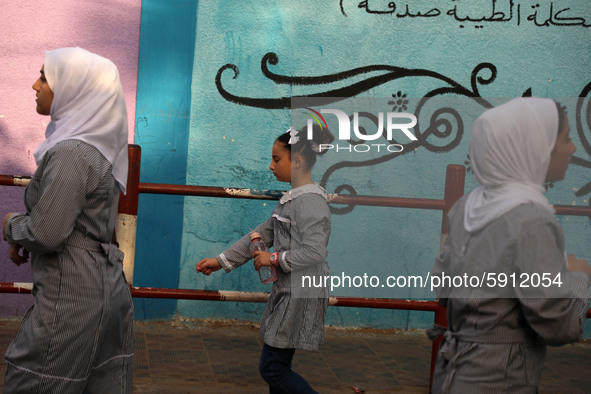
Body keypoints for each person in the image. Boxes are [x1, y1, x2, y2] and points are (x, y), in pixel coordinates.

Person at [429, 97, 591, 393]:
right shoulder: (533, 221)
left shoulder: (469, 205)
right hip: (499, 379)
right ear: (535, 147)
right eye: (565, 138)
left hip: (450, 371)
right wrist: (578, 279)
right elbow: (558, 326)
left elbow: (443, 289)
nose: (572, 148)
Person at [2, 47, 133, 393]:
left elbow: (47, 234)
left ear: (73, 89)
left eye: (45, 77)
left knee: (36, 380)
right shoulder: (97, 150)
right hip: (104, 284)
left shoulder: (71, 152)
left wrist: (12, 225)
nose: (35, 85)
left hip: (72, 291)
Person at [196, 125, 333, 394]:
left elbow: (316, 251)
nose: (271, 166)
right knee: (277, 367)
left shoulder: (309, 202)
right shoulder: (292, 199)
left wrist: (273, 258)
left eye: (276, 159)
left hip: (301, 293)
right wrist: (221, 261)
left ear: (297, 161)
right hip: (290, 290)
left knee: (273, 368)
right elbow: (264, 232)